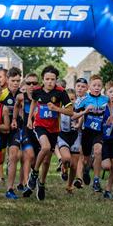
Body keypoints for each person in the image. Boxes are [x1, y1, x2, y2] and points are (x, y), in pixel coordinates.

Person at [25, 65, 77, 201]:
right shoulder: (37, 91)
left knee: (47, 160)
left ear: (56, 80)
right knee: (46, 147)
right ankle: (34, 174)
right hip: (40, 126)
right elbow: (34, 103)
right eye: (47, 79)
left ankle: (41, 184)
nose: (50, 82)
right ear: (43, 79)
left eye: (52, 79)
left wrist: (56, 108)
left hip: (54, 129)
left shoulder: (61, 92)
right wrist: (30, 118)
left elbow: (71, 112)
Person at [75, 74, 113, 193]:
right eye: (94, 85)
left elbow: (110, 104)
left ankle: (96, 181)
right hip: (87, 131)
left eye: (99, 86)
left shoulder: (105, 98)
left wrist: (111, 115)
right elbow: (74, 115)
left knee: (98, 151)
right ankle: (86, 170)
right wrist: (85, 111)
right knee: (86, 159)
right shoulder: (84, 99)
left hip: (99, 131)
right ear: (89, 87)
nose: (97, 88)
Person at [13, 73, 41, 195]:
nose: (31, 86)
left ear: (38, 84)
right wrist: (14, 119)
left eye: (34, 83)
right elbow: (16, 106)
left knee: (34, 161)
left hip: (39, 131)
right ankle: (26, 185)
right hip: (25, 130)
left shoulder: (42, 97)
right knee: (28, 156)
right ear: (25, 84)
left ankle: (32, 180)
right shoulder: (21, 97)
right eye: (28, 83)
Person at [2, 67, 23, 200]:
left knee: (14, 155)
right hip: (1, 129)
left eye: (18, 80)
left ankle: (10, 188)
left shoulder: (22, 94)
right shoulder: (1, 94)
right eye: (13, 80)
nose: (16, 83)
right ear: (7, 80)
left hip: (15, 130)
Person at [71, 78, 88, 189]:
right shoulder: (72, 100)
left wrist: (79, 123)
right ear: (75, 87)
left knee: (83, 158)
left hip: (85, 130)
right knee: (75, 157)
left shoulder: (88, 100)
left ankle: (80, 177)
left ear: (86, 88)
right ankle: (79, 177)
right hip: (72, 131)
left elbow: (83, 115)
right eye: (78, 86)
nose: (80, 88)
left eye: (83, 86)